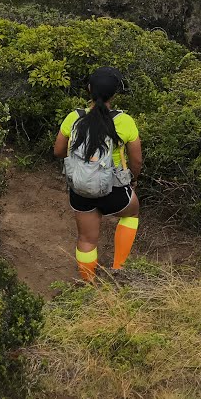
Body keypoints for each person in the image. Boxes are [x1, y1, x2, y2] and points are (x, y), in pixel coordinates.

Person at [53, 66, 142, 282]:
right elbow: (136, 160)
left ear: (89, 89)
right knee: (132, 213)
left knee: (86, 239)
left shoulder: (74, 117)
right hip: (114, 190)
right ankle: (119, 268)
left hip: (81, 189)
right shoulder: (124, 121)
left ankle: (88, 284)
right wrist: (133, 178)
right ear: (114, 94)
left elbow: (58, 151)